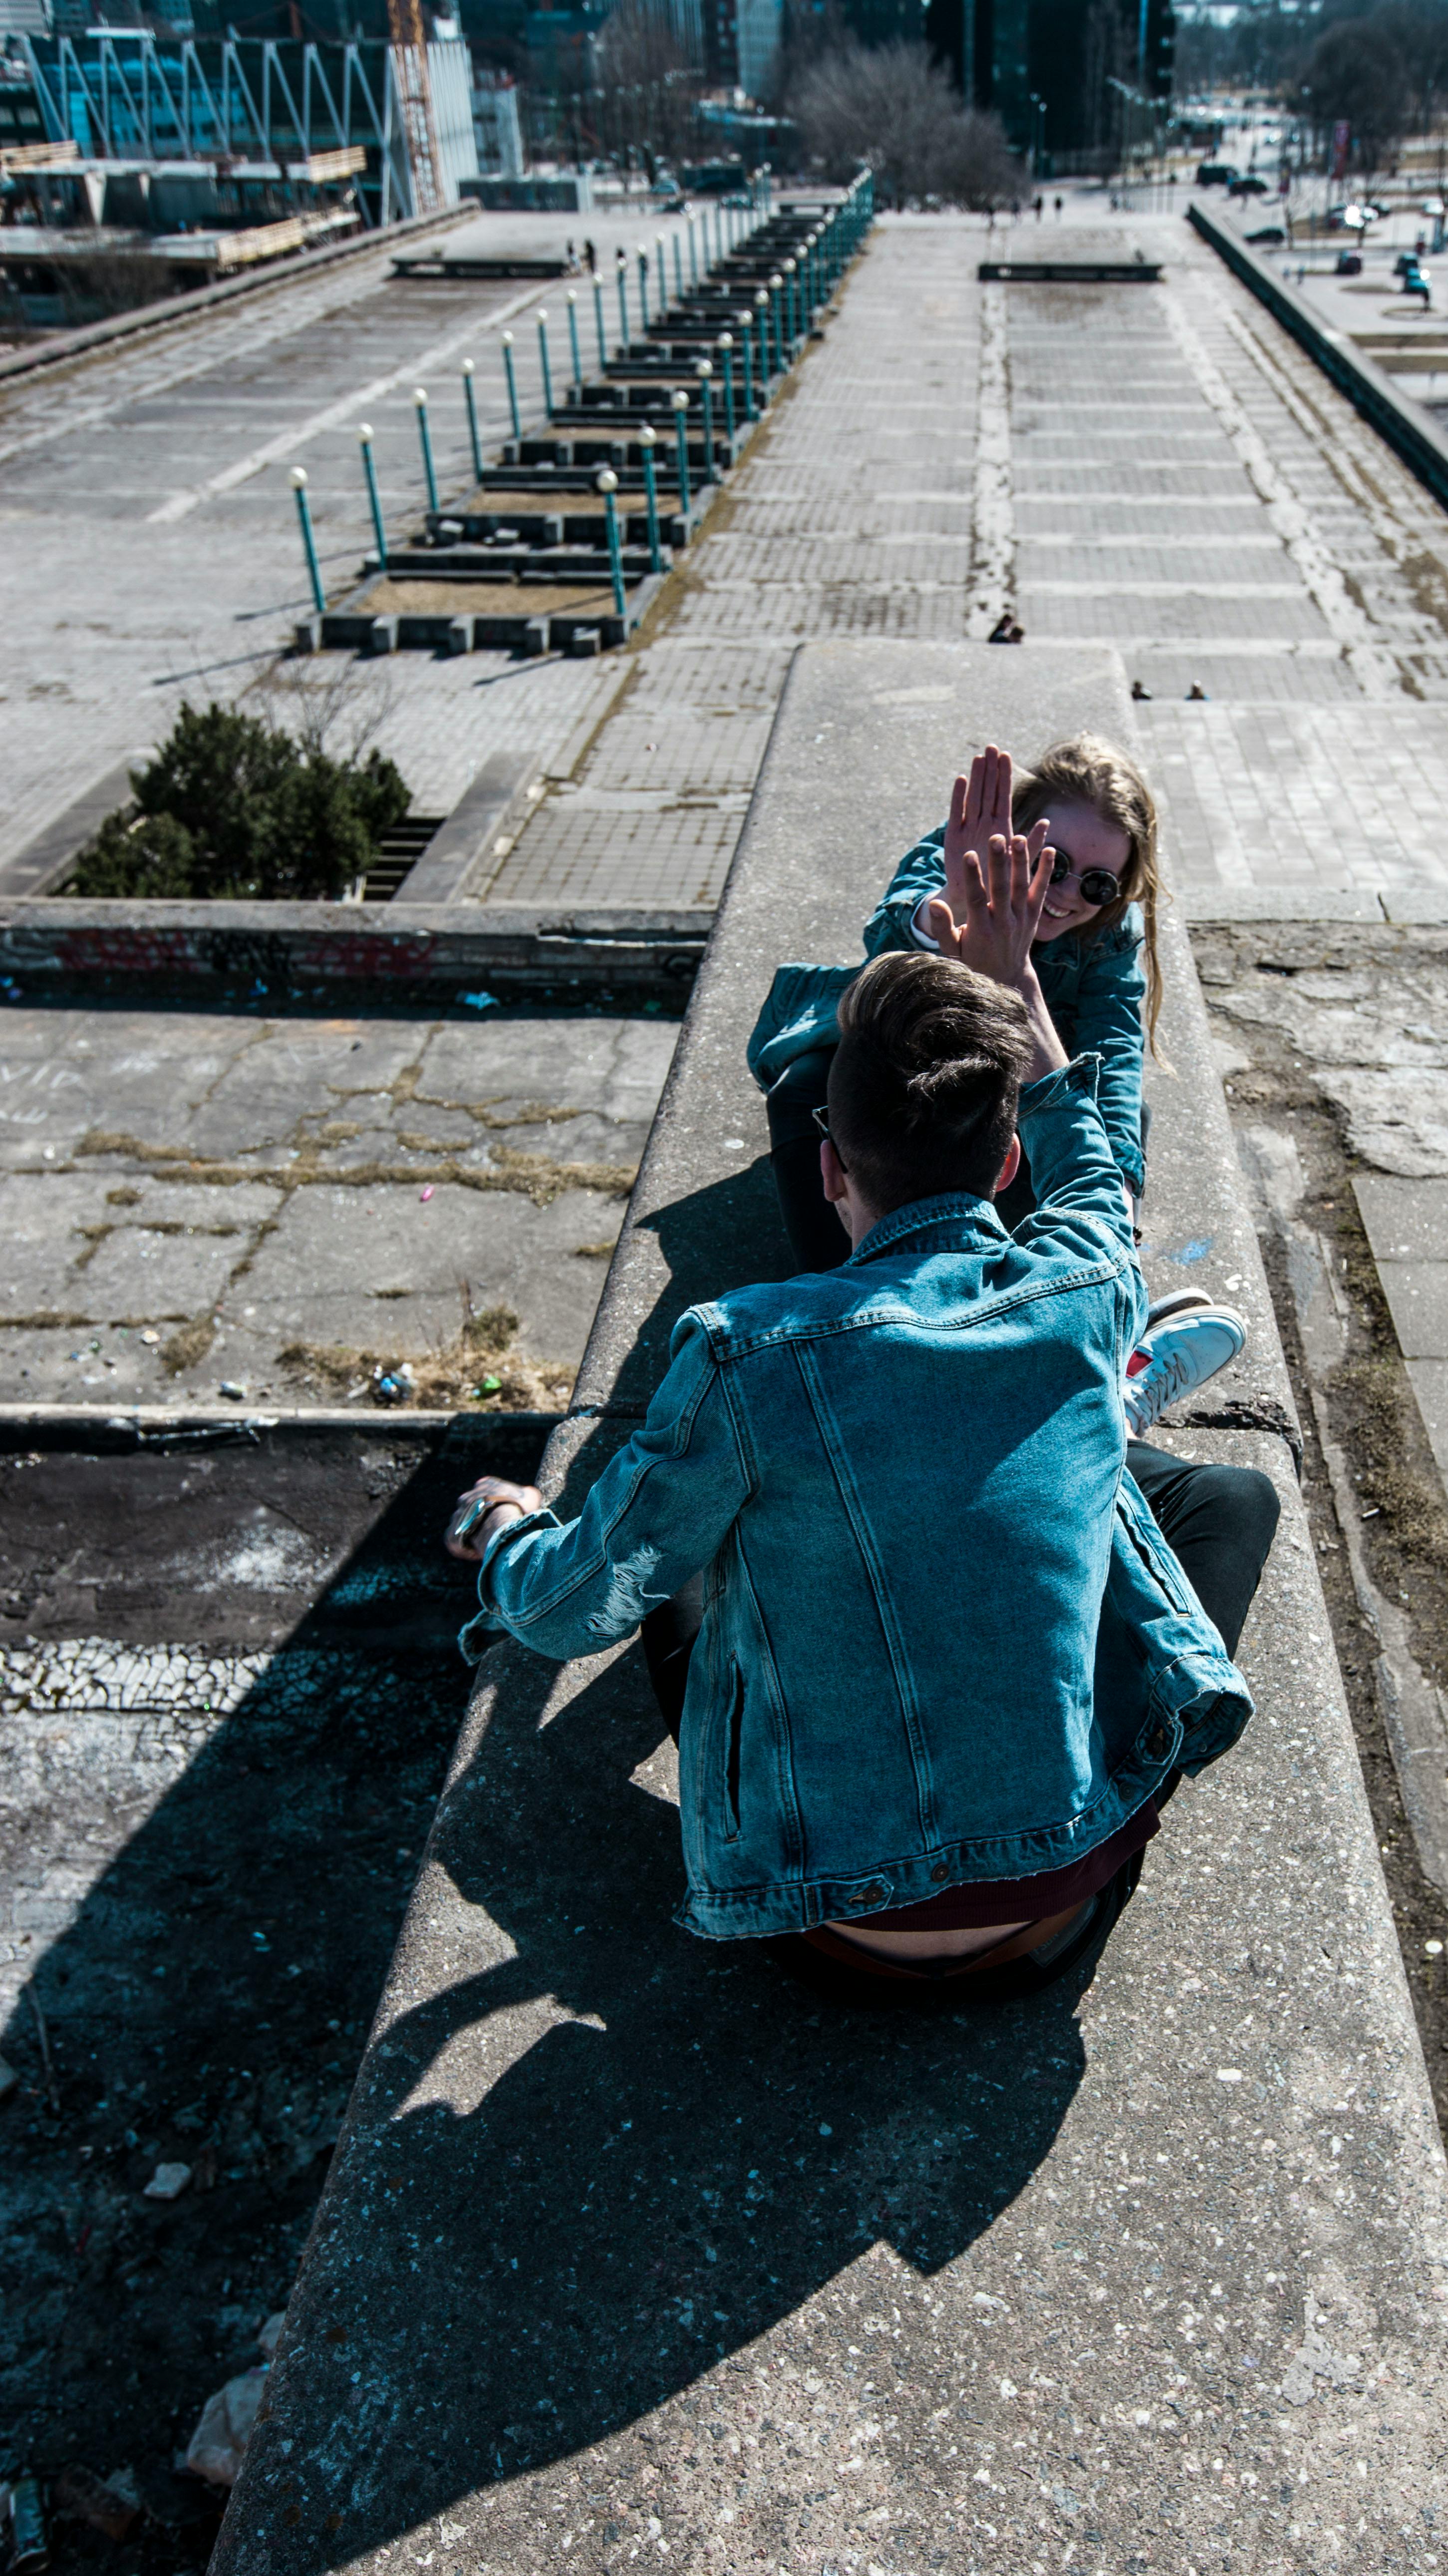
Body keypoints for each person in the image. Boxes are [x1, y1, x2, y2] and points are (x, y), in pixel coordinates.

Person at [445, 831, 1279, 1997]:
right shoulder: (1089, 1281)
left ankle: (1101, 1414)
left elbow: (577, 1609)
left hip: (825, 1926)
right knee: (1229, 1497)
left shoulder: (744, 1352)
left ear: (830, 1169)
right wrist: (1022, 988)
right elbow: (1092, 1166)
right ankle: (1107, 1410)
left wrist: (503, 1532)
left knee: (691, 1536)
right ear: (1002, 1170)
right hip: (1063, 1895)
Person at [758, 740, 1246, 1434]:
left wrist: (1114, 1199)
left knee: (1116, 1109)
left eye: (1097, 883)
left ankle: (1072, 1334)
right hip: (913, 1090)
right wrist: (954, 908)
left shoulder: (1107, 936)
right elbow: (891, 933)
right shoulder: (962, 857)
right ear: (1016, 835)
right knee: (808, 1087)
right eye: (1052, 863)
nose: (1067, 893)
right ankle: (845, 1308)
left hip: (1006, 1115)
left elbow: (1113, 1048)